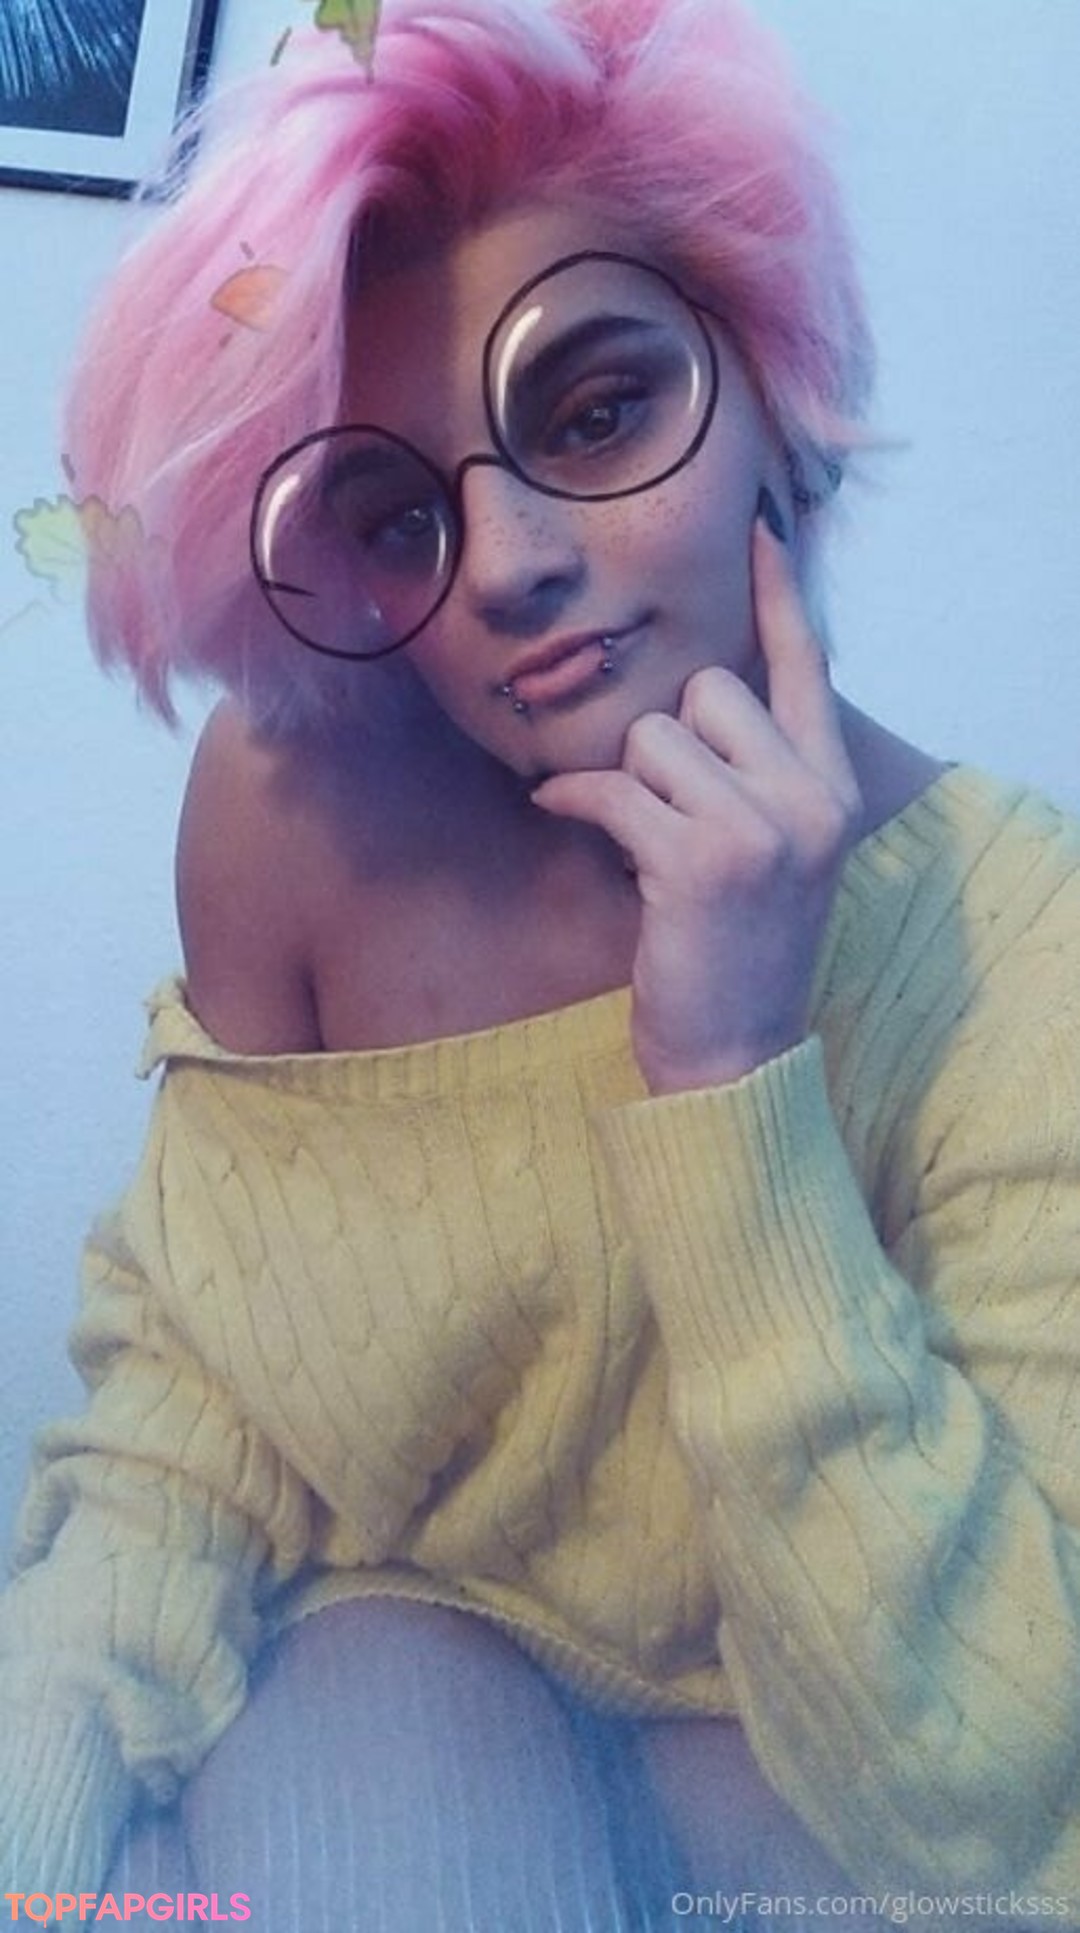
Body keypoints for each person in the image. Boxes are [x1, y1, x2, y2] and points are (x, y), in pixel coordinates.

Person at [3, 0, 1079, 1924]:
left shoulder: (1019, 933)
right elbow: (202, 1387)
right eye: (400, 512)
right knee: (367, 1714)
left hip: (823, 1801)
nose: (502, 564)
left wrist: (734, 1077)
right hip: (400, 1696)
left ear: (775, 390)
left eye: (593, 412)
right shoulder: (295, 814)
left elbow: (979, 1801)